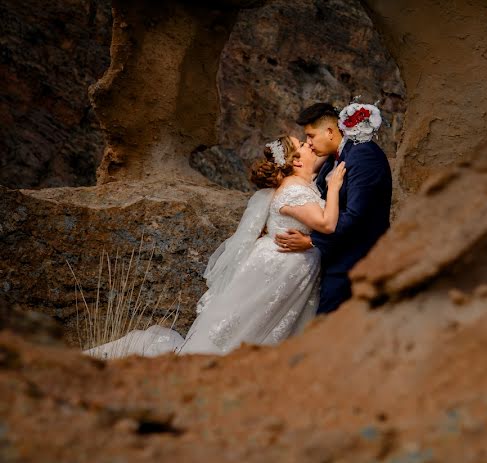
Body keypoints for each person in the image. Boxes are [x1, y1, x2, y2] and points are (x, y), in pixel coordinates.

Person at [86, 136, 345, 359]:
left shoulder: (300, 182)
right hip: (275, 270)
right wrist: (333, 188)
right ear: (296, 162)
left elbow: (322, 154)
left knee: (262, 327)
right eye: (302, 144)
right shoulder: (293, 190)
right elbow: (326, 223)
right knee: (246, 328)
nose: (309, 144)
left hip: (284, 268)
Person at [275, 102, 392, 314]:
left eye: (311, 136)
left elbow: (356, 216)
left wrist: (311, 241)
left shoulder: (364, 156)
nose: (308, 144)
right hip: (336, 258)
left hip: (355, 261)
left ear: (330, 132)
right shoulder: (335, 156)